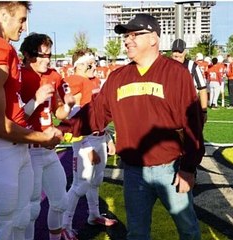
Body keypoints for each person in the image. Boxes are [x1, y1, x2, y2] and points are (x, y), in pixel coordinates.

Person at [61, 13, 205, 240]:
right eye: (126, 36)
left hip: (171, 168)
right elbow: (95, 114)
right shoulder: (118, 77)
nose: (127, 40)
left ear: (154, 39)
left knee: (188, 230)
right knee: (137, 233)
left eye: (134, 35)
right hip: (134, 172)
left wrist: (188, 167)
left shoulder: (176, 74)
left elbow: (193, 125)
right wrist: (62, 130)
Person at [0, 2, 62, 239]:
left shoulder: (5, 49)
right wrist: (43, 137)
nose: (24, 26)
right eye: (21, 19)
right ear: (4, 15)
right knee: (2, 222)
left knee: (24, 214)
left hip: (18, 146)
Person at [19, 33, 74, 240]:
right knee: (31, 210)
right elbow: (14, 120)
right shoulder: (19, 76)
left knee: (60, 202)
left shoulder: (54, 75)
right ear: (26, 55)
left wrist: (67, 105)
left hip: (49, 150)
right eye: (40, 55)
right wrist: (36, 99)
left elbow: (59, 112)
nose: (46, 60)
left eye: (49, 55)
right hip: (28, 151)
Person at [61, 49, 117, 240]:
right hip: (85, 139)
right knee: (80, 185)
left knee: (96, 180)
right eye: (89, 64)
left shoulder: (92, 82)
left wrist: (108, 137)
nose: (94, 66)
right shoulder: (75, 80)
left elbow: (98, 115)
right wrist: (86, 146)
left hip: (99, 136)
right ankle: (64, 225)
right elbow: (73, 119)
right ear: (78, 66)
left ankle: (94, 214)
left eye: (94, 63)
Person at [171, 38, 208, 123]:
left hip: (189, 109)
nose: (177, 55)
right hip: (171, 110)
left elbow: (202, 89)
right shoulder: (166, 66)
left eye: (179, 52)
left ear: (184, 52)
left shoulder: (192, 66)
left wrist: (204, 111)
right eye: (174, 52)